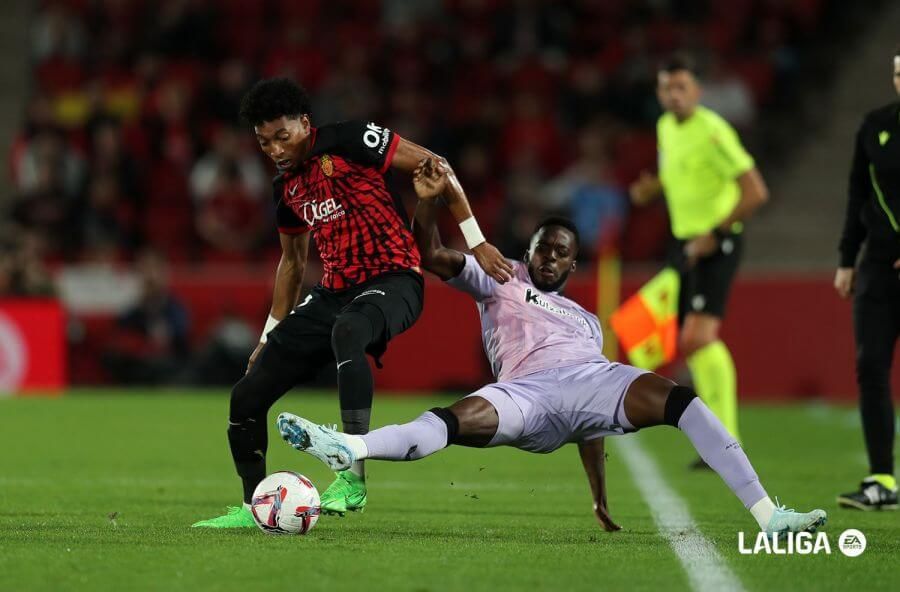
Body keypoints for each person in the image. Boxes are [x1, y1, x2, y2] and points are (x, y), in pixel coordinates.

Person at [276, 158, 826, 537]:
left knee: (682, 400)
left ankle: (767, 515)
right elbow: (432, 254)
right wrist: (425, 205)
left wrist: (599, 495)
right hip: (524, 393)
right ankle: (353, 450)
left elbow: (592, 423)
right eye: (543, 248)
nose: (549, 259)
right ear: (531, 249)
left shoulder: (588, 323)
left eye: (561, 253)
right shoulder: (500, 273)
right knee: (453, 419)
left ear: (572, 263)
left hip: (593, 378)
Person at [193, 78, 511, 528]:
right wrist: (267, 335)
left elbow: (434, 165)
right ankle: (254, 508)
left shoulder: (348, 139)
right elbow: (291, 263)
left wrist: (475, 241)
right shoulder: (286, 187)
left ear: (305, 123)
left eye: (283, 137)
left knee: (349, 330)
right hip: (335, 291)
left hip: (395, 277)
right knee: (246, 393)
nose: (276, 150)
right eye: (265, 143)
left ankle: (352, 478)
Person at [629, 55, 769, 464]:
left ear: (697, 92)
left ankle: (725, 441)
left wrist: (718, 233)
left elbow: (756, 192)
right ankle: (719, 441)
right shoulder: (665, 128)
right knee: (668, 339)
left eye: (681, 89)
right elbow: (675, 176)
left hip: (719, 242)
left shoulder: (714, 131)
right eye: (666, 89)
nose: (674, 96)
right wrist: (650, 190)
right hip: (684, 243)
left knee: (697, 338)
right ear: (659, 93)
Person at [833, 46, 900, 511]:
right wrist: (846, 258)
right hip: (877, 268)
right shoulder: (875, 125)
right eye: (899, 72)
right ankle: (882, 480)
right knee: (871, 366)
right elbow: (859, 190)